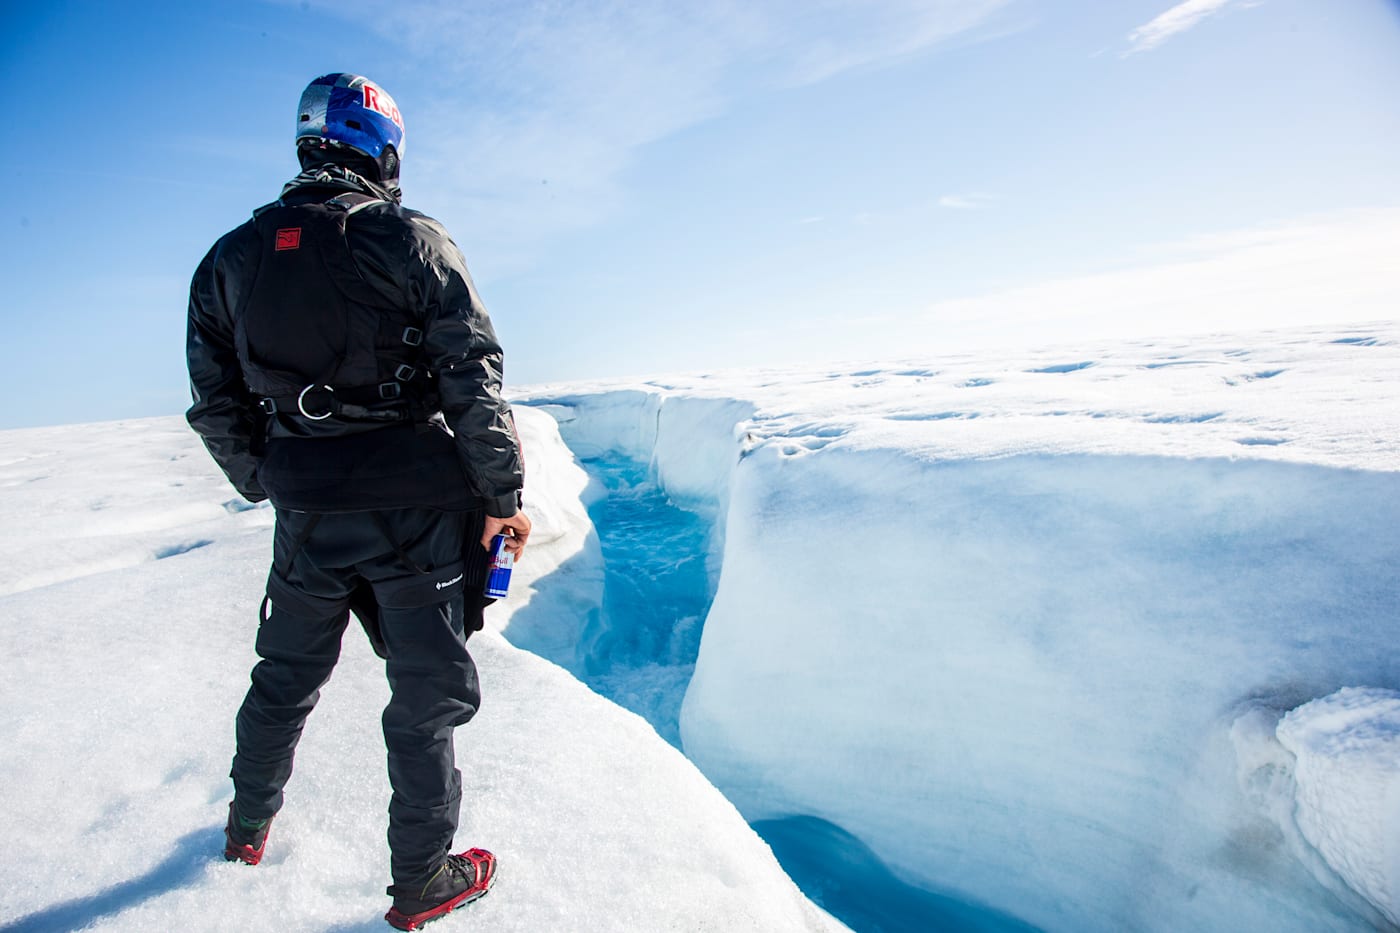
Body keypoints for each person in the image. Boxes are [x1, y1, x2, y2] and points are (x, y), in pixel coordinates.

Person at [186, 72, 530, 930]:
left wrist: (275, 479)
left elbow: (214, 399)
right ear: (382, 148)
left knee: (284, 678)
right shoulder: (411, 237)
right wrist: (501, 494)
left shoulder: (228, 258)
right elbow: (471, 377)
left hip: (308, 511)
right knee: (426, 694)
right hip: (416, 506)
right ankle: (422, 880)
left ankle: (246, 831)